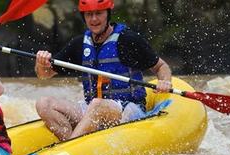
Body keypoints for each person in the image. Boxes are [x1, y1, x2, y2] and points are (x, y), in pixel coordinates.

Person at [34, 0, 172, 140]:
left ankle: (68, 148)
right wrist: (41, 63)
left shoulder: (128, 39)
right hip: (93, 109)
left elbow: (161, 67)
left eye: (99, 13)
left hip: (129, 110)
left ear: (108, 14)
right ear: (84, 16)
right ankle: (72, 147)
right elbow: (44, 75)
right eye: (89, 14)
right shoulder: (79, 44)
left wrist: (165, 81)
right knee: (44, 104)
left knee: (97, 104)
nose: (94, 19)